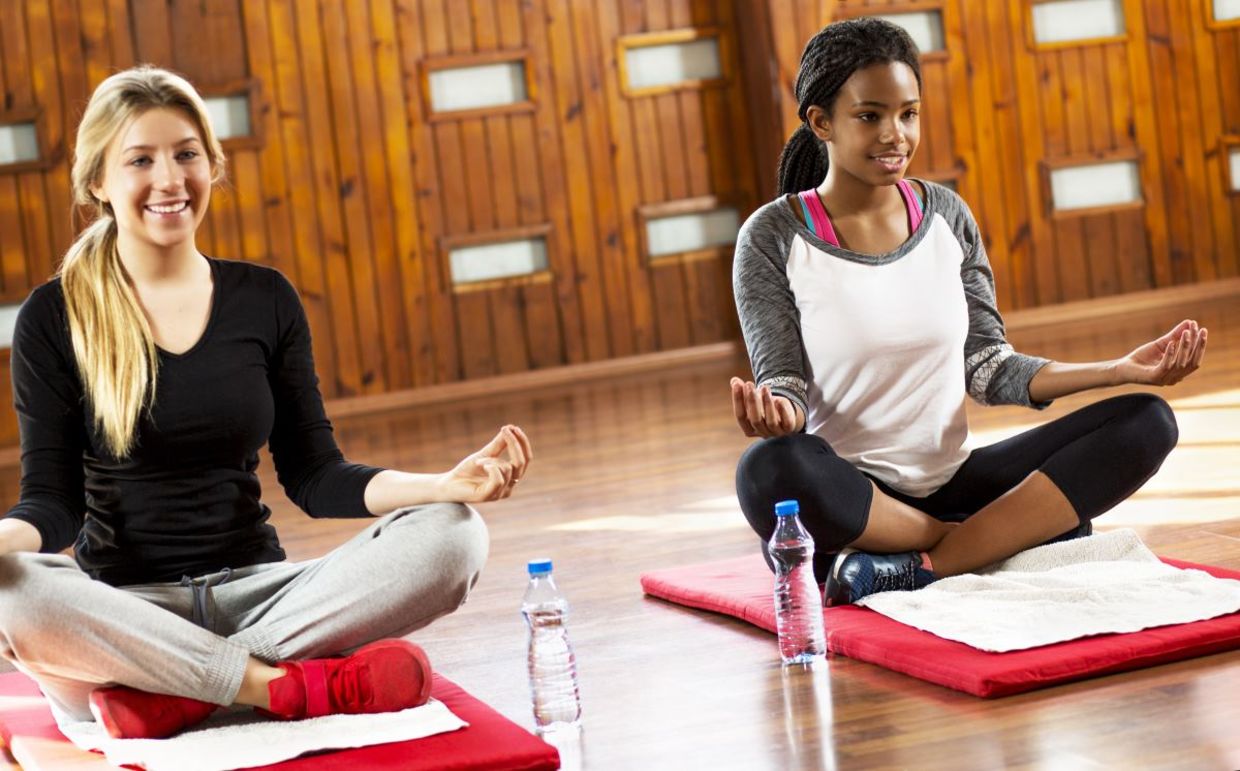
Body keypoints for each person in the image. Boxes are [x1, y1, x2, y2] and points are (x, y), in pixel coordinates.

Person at [0, 65, 532, 740]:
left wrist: (443, 484)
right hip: (128, 613)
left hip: (263, 592)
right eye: (140, 159)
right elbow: (52, 503)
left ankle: (183, 693)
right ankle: (269, 684)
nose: (170, 179)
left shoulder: (265, 298)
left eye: (187, 154)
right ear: (99, 182)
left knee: (453, 533)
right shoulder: (55, 315)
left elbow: (316, 475)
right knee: (15, 589)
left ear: (212, 166)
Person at [730, 18, 1205, 607]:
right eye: (870, 115)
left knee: (1147, 421)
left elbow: (989, 367)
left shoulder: (947, 215)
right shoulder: (772, 236)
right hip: (859, 500)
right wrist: (778, 413)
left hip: (956, 480)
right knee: (768, 470)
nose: (895, 135)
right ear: (821, 122)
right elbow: (785, 386)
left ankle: (924, 565)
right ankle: (988, 541)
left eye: (909, 113)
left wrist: (1120, 370)